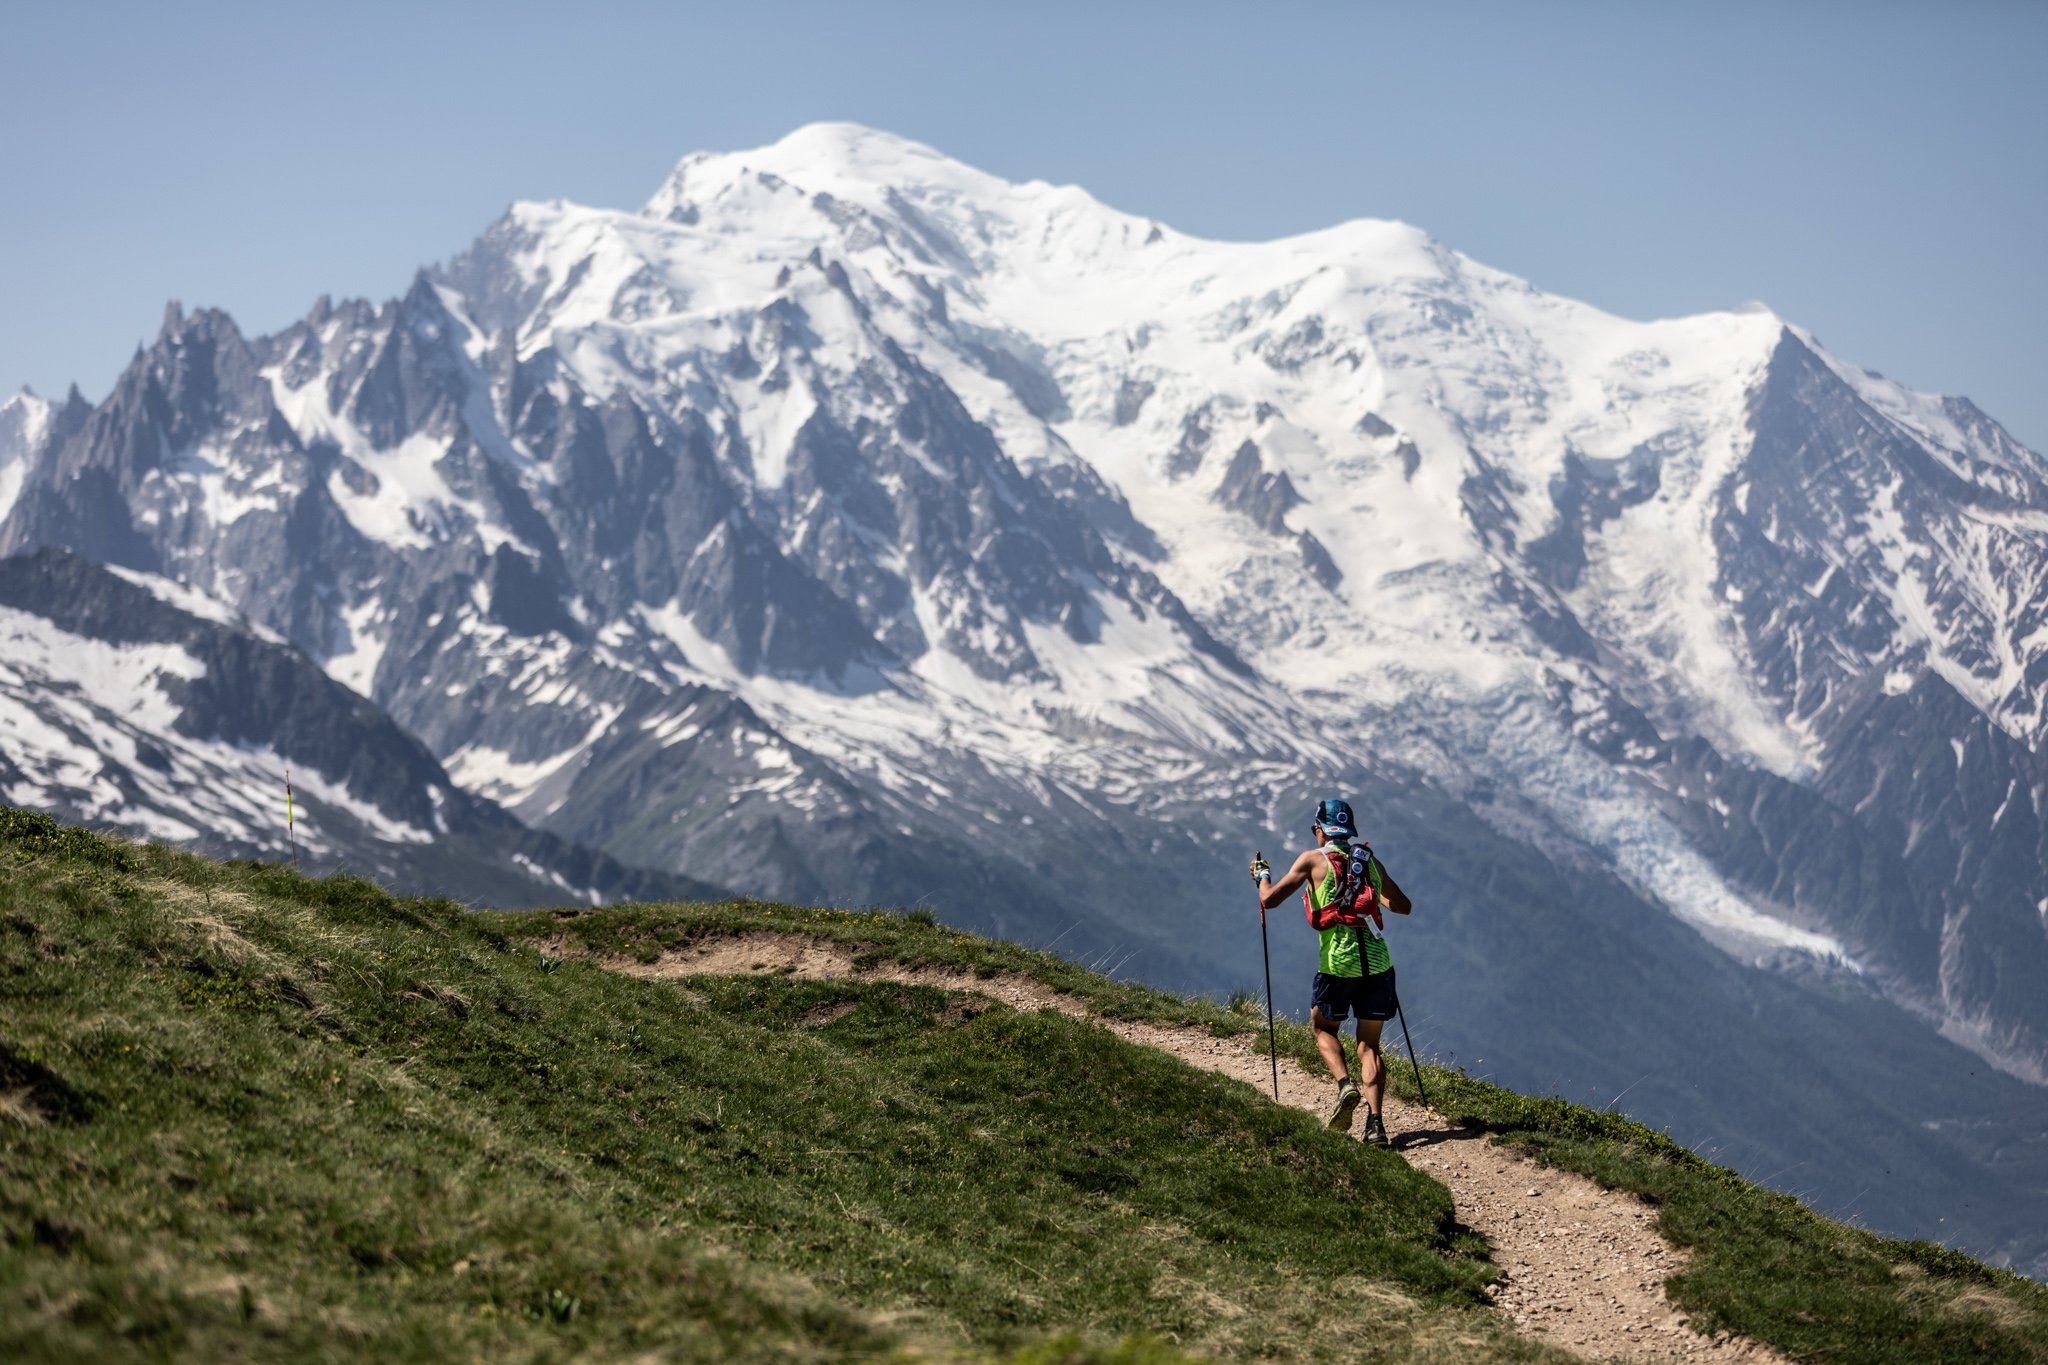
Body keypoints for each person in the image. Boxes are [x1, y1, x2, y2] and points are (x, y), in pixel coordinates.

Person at [1250, 798, 1412, 1143]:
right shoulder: (1370, 863)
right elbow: (1403, 906)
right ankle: (1376, 1124)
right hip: (1378, 964)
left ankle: (1344, 1086)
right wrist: (1371, 895)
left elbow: (1270, 900)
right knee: (1369, 1045)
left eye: (1315, 829)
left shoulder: (1312, 860)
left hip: (1338, 965)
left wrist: (1261, 876)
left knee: (1323, 1028)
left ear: (1321, 830)